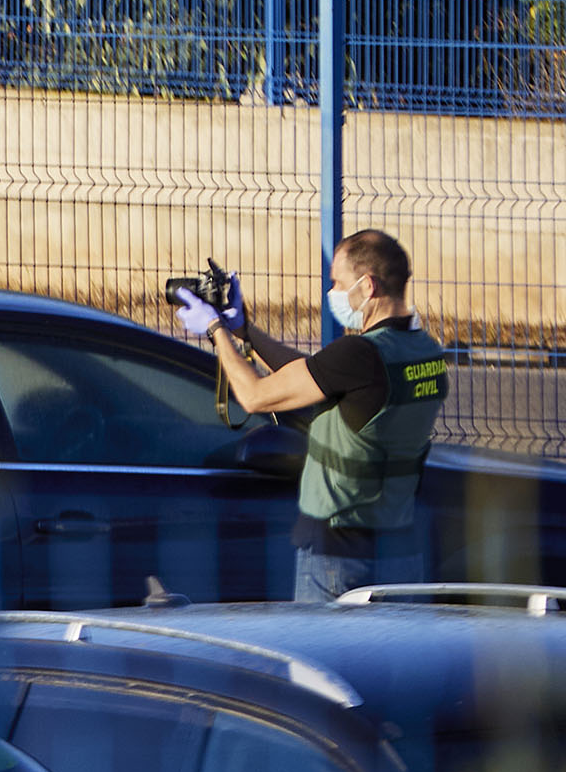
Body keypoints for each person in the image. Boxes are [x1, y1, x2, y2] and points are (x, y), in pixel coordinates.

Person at [174, 229, 451, 602]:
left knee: (324, 658)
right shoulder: (425, 352)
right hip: (400, 547)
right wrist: (246, 331)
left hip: (339, 552)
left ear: (367, 286)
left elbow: (254, 397)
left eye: (338, 282)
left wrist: (215, 329)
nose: (332, 293)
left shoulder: (360, 354)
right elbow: (317, 376)